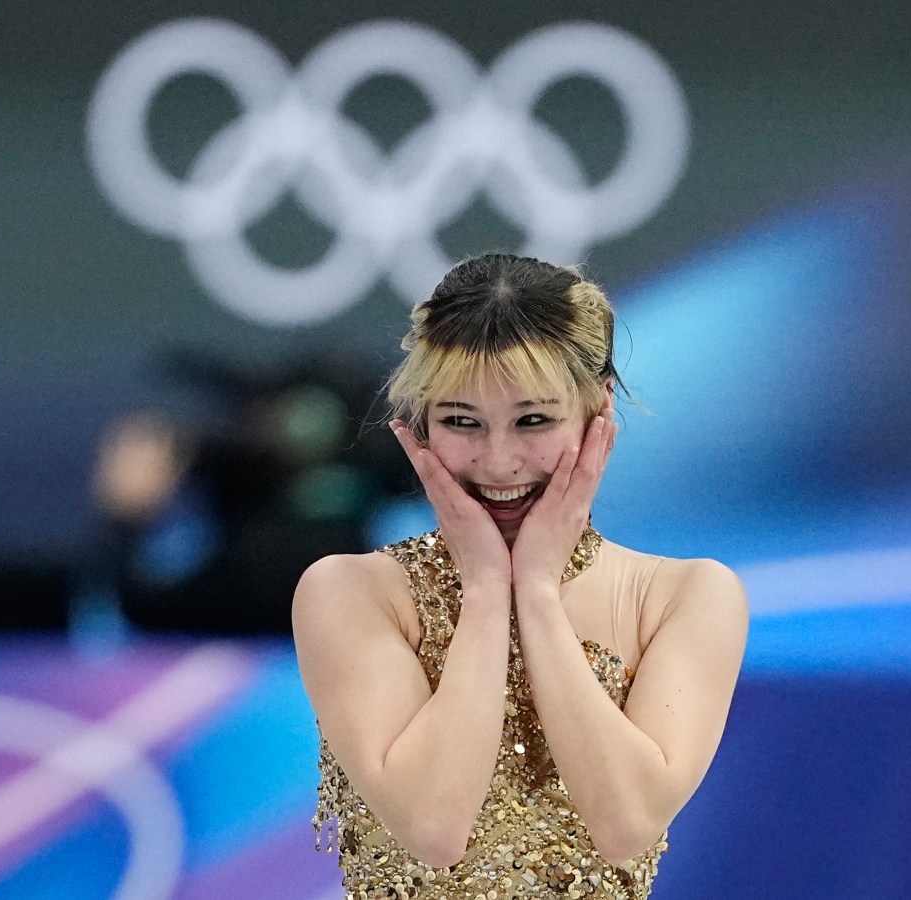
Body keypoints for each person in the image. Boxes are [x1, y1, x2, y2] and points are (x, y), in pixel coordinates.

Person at [293, 253, 749, 898]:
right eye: (461, 421)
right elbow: (433, 828)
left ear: (598, 410)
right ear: (420, 423)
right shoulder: (351, 592)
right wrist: (484, 591)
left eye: (533, 420)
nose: (499, 462)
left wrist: (535, 592)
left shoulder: (685, 597)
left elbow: (625, 825)